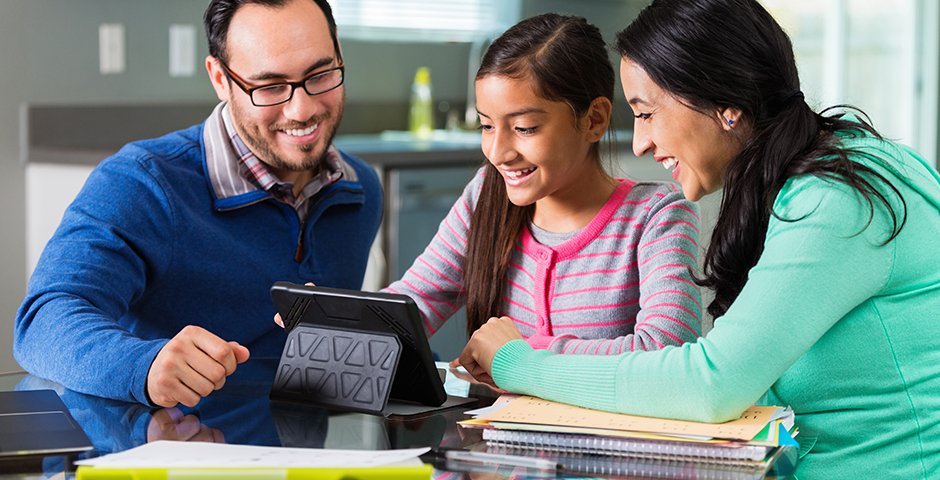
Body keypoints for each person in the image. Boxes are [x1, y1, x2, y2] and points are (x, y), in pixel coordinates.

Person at [456, 0, 940, 477]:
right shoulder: (821, 175)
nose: (640, 143)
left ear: (724, 106)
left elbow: (711, 384)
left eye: (646, 113)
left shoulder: (837, 199)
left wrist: (517, 362)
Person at [13, 0, 382, 409]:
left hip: (300, 443)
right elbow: (43, 321)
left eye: (321, 74)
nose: (303, 109)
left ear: (339, 55)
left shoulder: (359, 190)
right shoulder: (142, 183)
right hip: (169, 439)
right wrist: (144, 364)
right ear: (220, 79)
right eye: (270, 86)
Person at [384, 13, 702, 357]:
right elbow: (413, 303)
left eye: (525, 128)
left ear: (594, 120)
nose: (498, 153)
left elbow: (666, 351)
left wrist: (519, 354)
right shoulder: (486, 195)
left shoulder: (656, 217)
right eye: (486, 126)